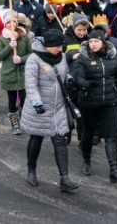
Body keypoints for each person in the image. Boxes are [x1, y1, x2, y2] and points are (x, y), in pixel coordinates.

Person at [20, 29, 78, 193]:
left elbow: (64, 74)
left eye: (61, 46)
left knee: (60, 141)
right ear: (48, 46)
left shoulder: (60, 57)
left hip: (57, 107)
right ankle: (31, 170)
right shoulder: (34, 59)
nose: (60, 49)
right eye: (57, 46)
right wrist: (36, 101)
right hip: (40, 108)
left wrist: (70, 79)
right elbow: (30, 84)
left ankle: (64, 179)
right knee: (36, 139)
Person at [72, 28, 117, 182]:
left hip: (111, 102)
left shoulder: (113, 57)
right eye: (91, 41)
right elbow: (77, 77)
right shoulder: (83, 58)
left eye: (96, 41)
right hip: (89, 103)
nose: (93, 44)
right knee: (88, 134)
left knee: (111, 136)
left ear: (103, 41)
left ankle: (114, 170)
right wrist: (85, 84)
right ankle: (86, 160)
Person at [0, 12, 32, 134]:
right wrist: (10, 46)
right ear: (5, 24)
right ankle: (14, 123)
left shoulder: (24, 37)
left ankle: (25, 118)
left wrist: (21, 59)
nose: (11, 24)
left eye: (14, 22)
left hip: (22, 73)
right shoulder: (1, 39)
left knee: (24, 98)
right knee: (12, 99)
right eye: (8, 22)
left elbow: (31, 54)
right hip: (9, 73)